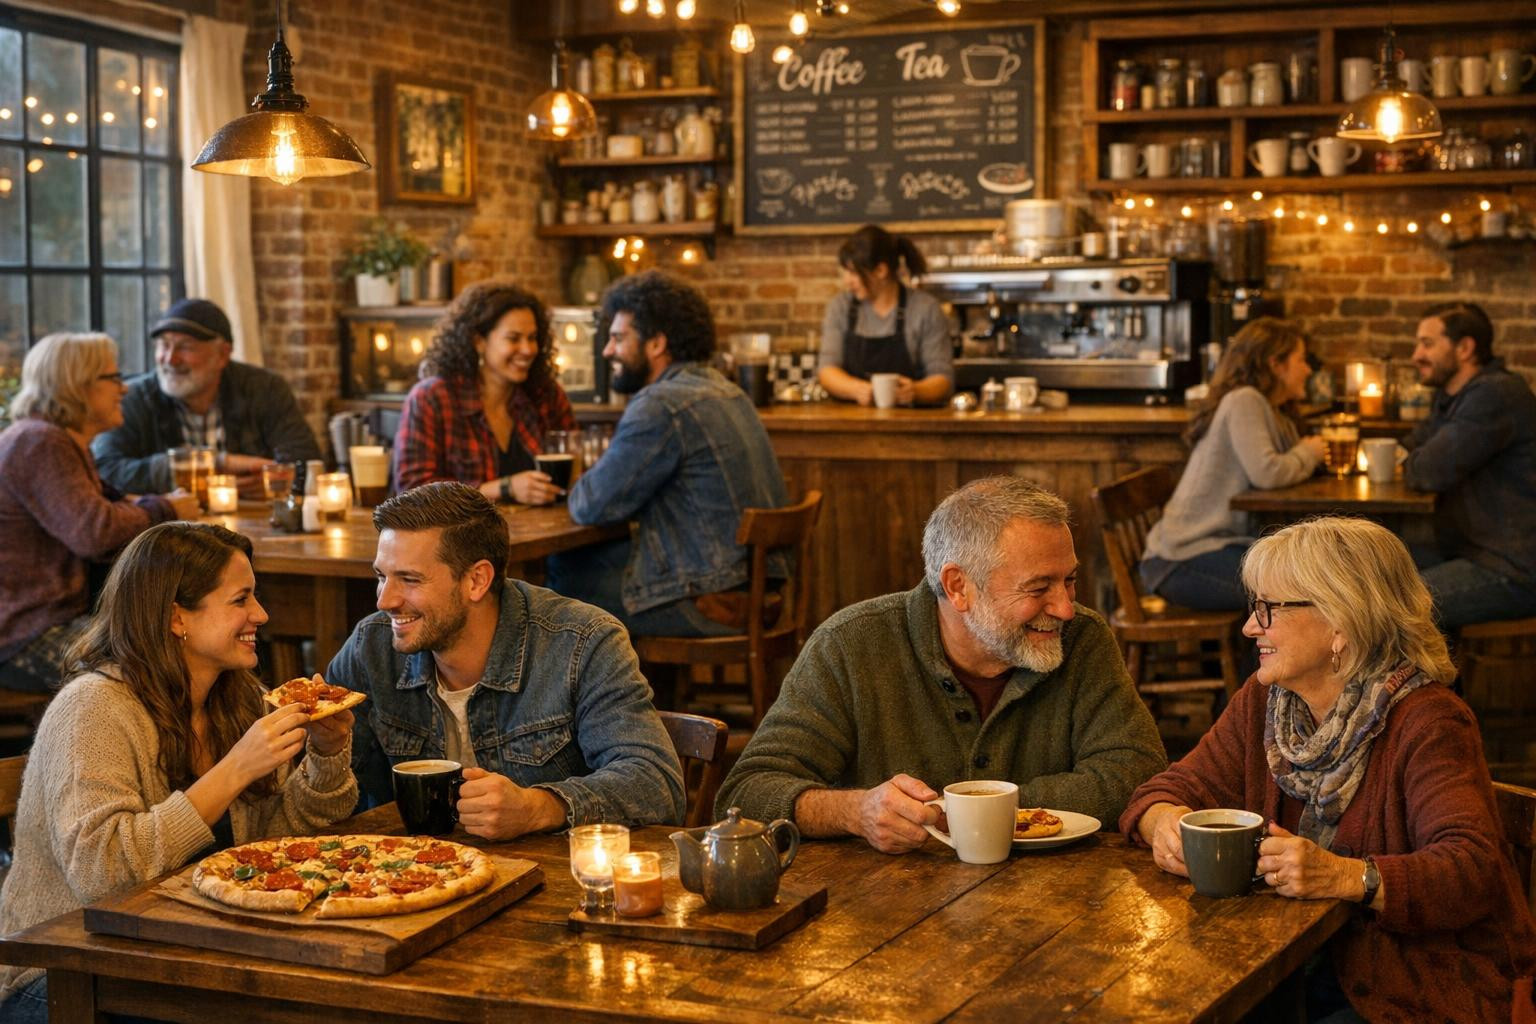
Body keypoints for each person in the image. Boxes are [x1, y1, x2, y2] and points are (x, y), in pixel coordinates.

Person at [1121, 517, 1536, 1024]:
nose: (1251, 626)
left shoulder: (1428, 720)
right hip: (1288, 964)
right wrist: (1163, 822)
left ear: (1340, 622)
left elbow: (1470, 871)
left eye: (1268, 609)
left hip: (1411, 985)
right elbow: (1166, 788)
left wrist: (1345, 876)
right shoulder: (1267, 704)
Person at [0, 522, 358, 1020]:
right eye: (241, 600)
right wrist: (231, 771)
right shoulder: (94, 708)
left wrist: (326, 753)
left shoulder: (239, 697)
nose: (262, 614)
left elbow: (276, 843)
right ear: (176, 617)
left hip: (187, 954)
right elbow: (102, 877)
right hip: (67, 971)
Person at [716, 476, 1166, 852]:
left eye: (1069, 581)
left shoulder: (1083, 639)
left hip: (1059, 913)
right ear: (958, 587)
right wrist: (856, 812)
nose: (1066, 608)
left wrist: (969, 811)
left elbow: (1138, 777)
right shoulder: (850, 646)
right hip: (883, 918)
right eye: (1038, 588)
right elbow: (746, 794)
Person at [328, 482, 684, 836]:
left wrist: (539, 807)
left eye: (409, 579)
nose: (384, 600)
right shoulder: (370, 648)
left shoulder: (582, 642)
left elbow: (655, 783)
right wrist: (324, 751)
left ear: (477, 580)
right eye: (381, 576)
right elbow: (337, 806)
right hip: (413, 879)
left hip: (554, 881)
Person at [548, 271, 788, 638]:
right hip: (761, 592)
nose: (607, 350)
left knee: (551, 581)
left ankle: (614, 696)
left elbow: (589, 505)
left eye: (618, 338)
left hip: (713, 601)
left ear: (657, 342)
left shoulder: (661, 404)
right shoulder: (727, 390)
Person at [0, 332, 200, 693]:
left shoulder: (52, 439)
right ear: (76, 385)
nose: (124, 389)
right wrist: (166, 507)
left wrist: (145, 505)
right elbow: (95, 532)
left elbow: (100, 509)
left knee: (193, 637)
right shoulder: (40, 442)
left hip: (48, 621)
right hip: (26, 632)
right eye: (113, 378)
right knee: (168, 656)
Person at [1139, 317, 1325, 611]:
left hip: (1217, 547)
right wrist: (1309, 453)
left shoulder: (1273, 410)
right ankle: (1265, 659)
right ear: (1276, 365)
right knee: (1288, 596)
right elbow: (1268, 473)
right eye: (1301, 360)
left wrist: (1307, 454)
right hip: (1181, 559)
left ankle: (1264, 658)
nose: (1308, 370)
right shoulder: (1244, 400)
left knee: (1298, 582)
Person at [92, 297, 322, 499]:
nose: (170, 359)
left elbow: (305, 463)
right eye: (164, 346)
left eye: (185, 347)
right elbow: (105, 471)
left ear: (222, 354)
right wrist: (216, 464)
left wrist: (277, 481)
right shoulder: (132, 398)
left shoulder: (265, 389)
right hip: (166, 535)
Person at [1404, 301, 1536, 630]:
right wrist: (1416, 455)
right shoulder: (1454, 395)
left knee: (1392, 611)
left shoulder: (1495, 393)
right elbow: (1411, 446)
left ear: (1464, 348)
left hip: (1513, 568)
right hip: (1473, 552)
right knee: (1372, 569)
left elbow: (1426, 471)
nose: (1416, 355)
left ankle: (1431, 685)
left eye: (1427, 343)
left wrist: (1415, 458)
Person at [393, 281, 578, 505]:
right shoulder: (432, 397)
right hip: (460, 538)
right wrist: (504, 488)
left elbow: (578, 469)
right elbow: (412, 491)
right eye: (513, 338)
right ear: (479, 342)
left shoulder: (545, 395)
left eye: (532, 338)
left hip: (546, 533)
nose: (528, 349)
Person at [817, 224, 953, 407]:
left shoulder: (925, 309)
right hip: (850, 422)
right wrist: (857, 389)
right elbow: (827, 370)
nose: (847, 282)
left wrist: (915, 391)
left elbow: (943, 379)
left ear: (881, 270)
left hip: (911, 423)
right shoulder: (841, 307)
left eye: (854, 273)